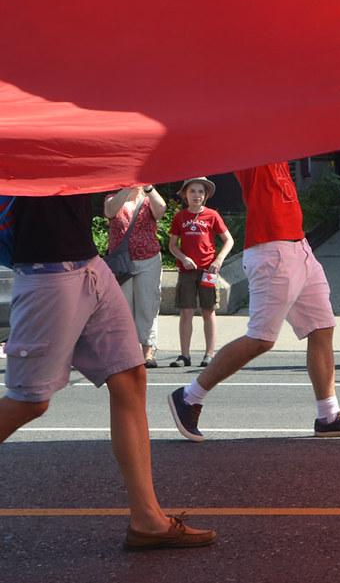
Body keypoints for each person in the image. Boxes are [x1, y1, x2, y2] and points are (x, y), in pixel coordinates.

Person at [1, 195, 216, 550]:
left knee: (131, 378)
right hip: (47, 271)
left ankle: (147, 520)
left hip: (90, 264)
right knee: (29, 402)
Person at [168, 162, 340, 441]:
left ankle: (328, 415)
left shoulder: (281, 152)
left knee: (322, 328)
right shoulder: (256, 153)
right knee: (261, 338)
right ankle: (189, 397)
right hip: (271, 250)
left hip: (299, 247)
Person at [167, 177, 234, 368]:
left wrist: (219, 259)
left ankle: (209, 354)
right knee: (186, 311)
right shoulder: (180, 217)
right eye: (193, 191)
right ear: (185, 194)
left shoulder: (212, 215)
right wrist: (183, 257)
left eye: (201, 192)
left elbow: (228, 240)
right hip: (187, 271)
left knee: (208, 310)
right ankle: (184, 355)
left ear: (205, 196)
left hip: (208, 270)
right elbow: (172, 245)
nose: (197, 195)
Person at [104, 185, 166, 368]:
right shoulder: (112, 197)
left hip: (148, 260)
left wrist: (148, 187)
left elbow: (161, 210)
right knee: (123, 308)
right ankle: (126, 351)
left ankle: (147, 351)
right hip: (122, 263)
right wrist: (127, 188)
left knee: (148, 306)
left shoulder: (149, 198)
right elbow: (110, 211)